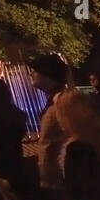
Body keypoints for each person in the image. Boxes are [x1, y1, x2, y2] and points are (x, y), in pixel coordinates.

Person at [29, 53, 72, 191]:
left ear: (48, 74)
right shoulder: (58, 101)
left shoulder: (61, 103)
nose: (31, 74)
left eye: (36, 70)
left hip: (62, 179)